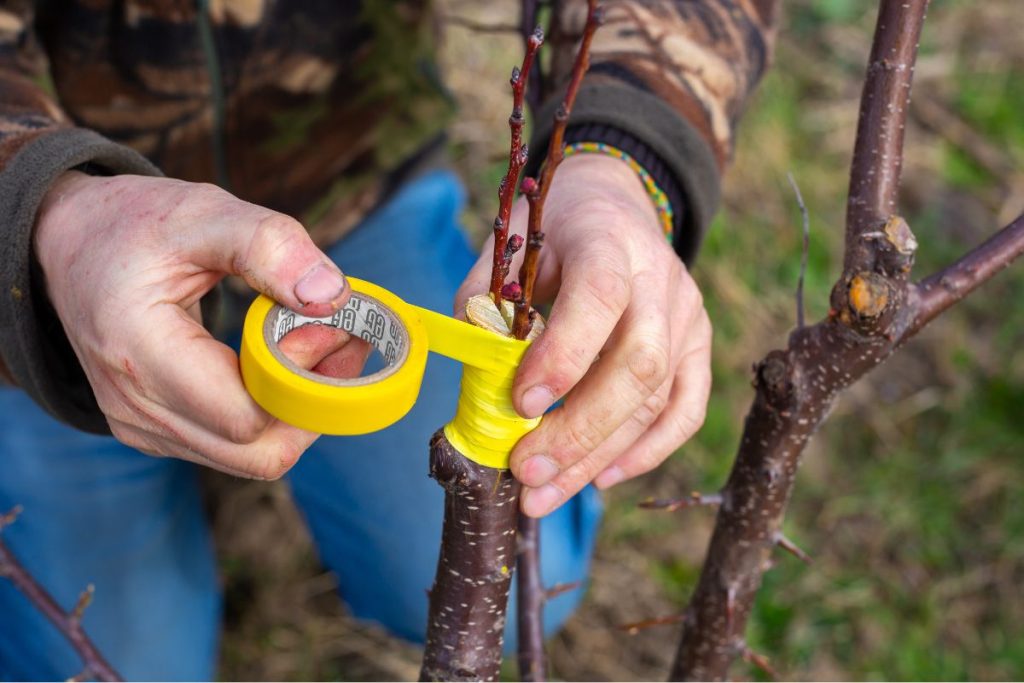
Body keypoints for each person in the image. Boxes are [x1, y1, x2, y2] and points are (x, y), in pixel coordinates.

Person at [0, 1, 775, 679]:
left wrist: (624, 160)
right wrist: (40, 210)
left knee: (488, 594)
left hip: (351, 181)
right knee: (111, 665)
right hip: (50, 248)